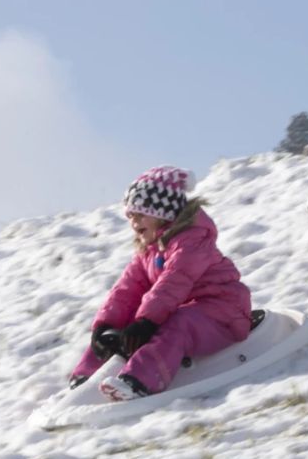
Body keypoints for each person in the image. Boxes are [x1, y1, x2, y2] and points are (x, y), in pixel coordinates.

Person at [69, 166, 252, 401]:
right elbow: (126, 290)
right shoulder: (149, 251)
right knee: (121, 326)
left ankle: (140, 381)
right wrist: (104, 325)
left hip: (224, 313)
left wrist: (147, 321)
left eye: (140, 213)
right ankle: (84, 379)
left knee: (177, 323)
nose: (133, 221)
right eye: (130, 215)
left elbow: (174, 281)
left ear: (163, 212)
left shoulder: (192, 241)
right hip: (186, 308)